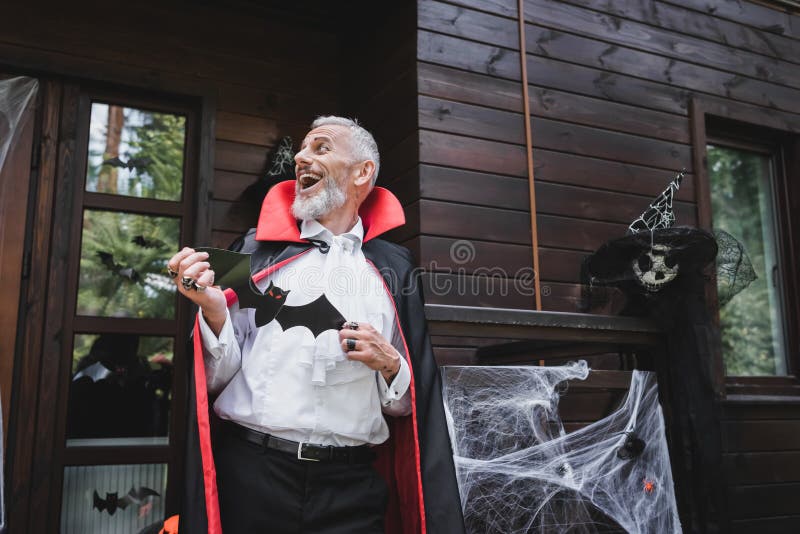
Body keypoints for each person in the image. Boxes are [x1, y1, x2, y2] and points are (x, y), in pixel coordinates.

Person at [167, 116, 464, 533]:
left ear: (363, 172)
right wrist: (215, 313)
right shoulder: (255, 252)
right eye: (302, 150)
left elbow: (407, 408)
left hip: (352, 488)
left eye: (321, 148)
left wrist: (391, 365)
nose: (302, 158)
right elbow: (214, 381)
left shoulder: (394, 269)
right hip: (253, 476)